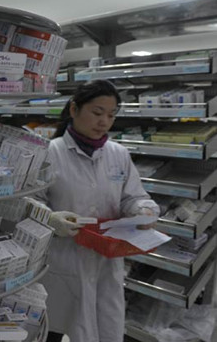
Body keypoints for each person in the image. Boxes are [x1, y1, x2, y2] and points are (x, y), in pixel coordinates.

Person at [38, 80, 160, 342]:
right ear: (74, 109)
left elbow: (133, 196)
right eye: (97, 112)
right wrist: (49, 218)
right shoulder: (49, 153)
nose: (104, 121)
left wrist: (143, 209)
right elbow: (30, 202)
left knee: (104, 326)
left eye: (111, 115)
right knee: (54, 327)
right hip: (64, 259)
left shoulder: (119, 154)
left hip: (107, 260)